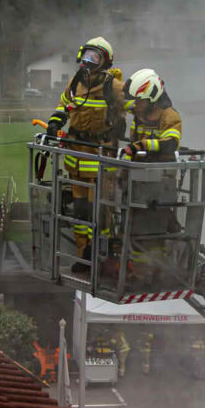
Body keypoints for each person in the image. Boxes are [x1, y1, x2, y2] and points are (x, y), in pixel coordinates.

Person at [45, 37, 129, 274]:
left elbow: (136, 105)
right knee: (81, 212)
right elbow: (64, 105)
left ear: (105, 62)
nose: (88, 61)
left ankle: (99, 254)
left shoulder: (113, 86)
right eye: (87, 55)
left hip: (100, 158)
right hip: (76, 157)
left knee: (100, 213)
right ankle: (84, 255)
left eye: (95, 57)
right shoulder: (76, 82)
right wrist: (54, 123)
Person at [123, 68, 181, 162]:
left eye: (139, 99)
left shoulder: (170, 116)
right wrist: (112, 87)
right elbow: (119, 103)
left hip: (160, 171)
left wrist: (141, 146)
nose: (136, 103)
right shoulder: (142, 108)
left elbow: (171, 143)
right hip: (137, 168)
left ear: (152, 97)